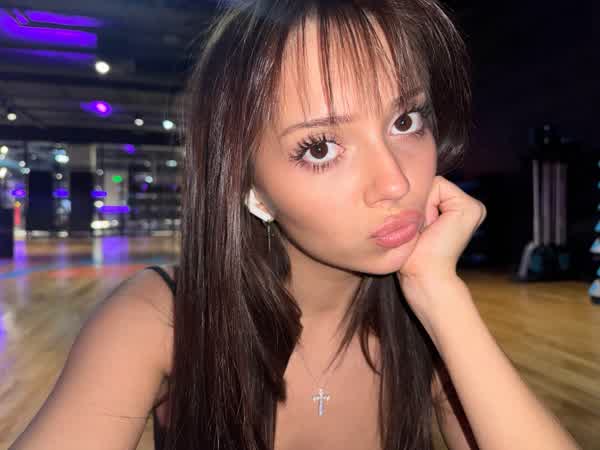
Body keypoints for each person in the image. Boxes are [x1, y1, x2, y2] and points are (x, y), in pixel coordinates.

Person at [9, 1, 582, 449]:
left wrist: (443, 298)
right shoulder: (163, 318)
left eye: (406, 121)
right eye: (320, 147)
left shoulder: (422, 322)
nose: (395, 183)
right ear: (249, 186)